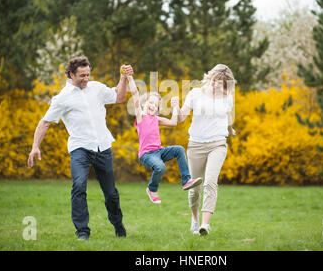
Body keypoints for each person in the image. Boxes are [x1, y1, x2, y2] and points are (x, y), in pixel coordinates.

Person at [27, 56, 132, 240]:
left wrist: (123, 78)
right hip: (80, 149)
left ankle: (117, 224)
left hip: (103, 147)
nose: (86, 78)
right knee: (79, 186)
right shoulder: (62, 98)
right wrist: (35, 146)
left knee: (111, 193)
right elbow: (45, 123)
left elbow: (120, 97)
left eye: (88, 74)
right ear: (71, 74)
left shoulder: (97, 88)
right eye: (82, 75)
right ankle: (82, 232)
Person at [176, 64, 236, 236]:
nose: (215, 84)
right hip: (196, 144)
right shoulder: (195, 94)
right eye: (214, 79)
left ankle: (204, 225)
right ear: (209, 77)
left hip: (217, 143)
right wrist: (175, 107)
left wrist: (230, 130)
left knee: (210, 182)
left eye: (220, 82)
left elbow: (228, 116)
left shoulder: (227, 97)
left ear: (225, 85)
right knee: (195, 188)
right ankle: (195, 219)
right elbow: (181, 118)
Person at [126, 74, 202, 204]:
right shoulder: (141, 117)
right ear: (144, 103)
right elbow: (134, 94)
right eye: (151, 102)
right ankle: (152, 189)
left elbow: (173, 122)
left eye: (156, 105)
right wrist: (129, 77)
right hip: (147, 155)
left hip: (159, 152)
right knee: (160, 167)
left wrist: (174, 107)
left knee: (179, 149)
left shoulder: (156, 119)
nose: (153, 106)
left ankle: (186, 181)